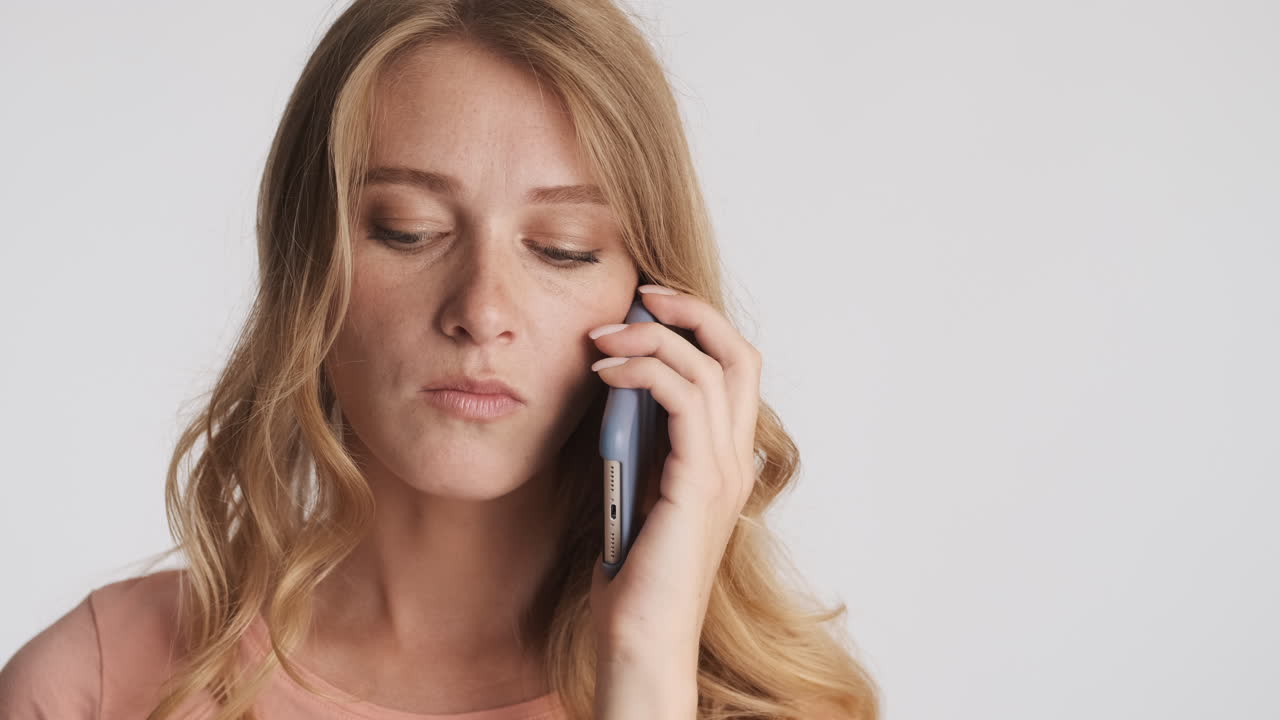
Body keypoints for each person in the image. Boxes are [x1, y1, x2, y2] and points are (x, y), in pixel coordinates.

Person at [0, 1, 880, 718]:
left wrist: (645, 669)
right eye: (407, 232)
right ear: (308, 267)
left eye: (564, 248)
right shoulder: (99, 685)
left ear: (654, 304)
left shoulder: (778, 706)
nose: (482, 311)